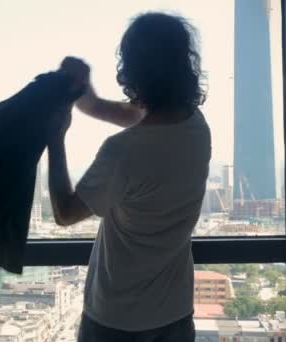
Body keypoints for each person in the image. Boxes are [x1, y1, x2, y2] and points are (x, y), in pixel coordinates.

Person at [48, 13, 211, 342]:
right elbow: (119, 113)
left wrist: (55, 138)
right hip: (175, 314)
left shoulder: (122, 151)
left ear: (133, 71)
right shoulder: (196, 127)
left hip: (115, 320)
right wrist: (86, 96)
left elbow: (65, 213)